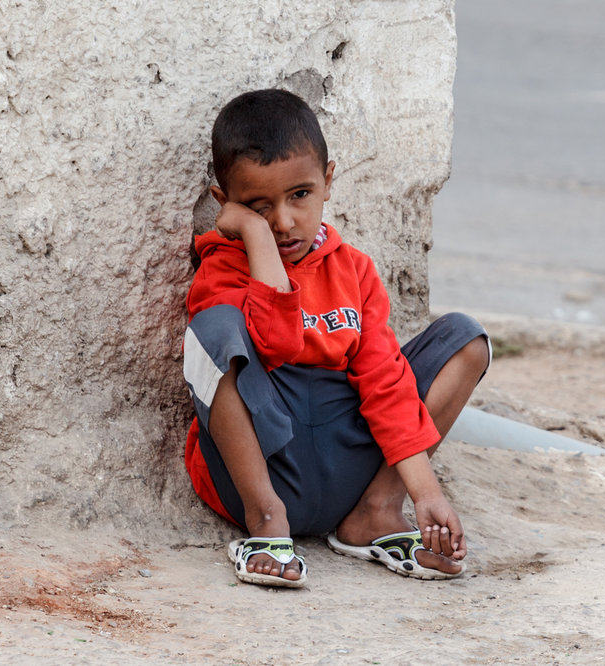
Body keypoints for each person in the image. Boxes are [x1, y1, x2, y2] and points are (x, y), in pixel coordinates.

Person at [182, 89, 490, 587]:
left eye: (299, 195)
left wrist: (426, 494)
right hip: (264, 471)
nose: (283, 223)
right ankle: (267, 524)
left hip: (347, 462)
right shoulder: (221, 271)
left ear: (327, 181)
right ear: (226, 203)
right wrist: (256, 243)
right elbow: (277, 345)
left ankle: (374, 514)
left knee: (465, 339)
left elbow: (384, 382)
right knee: (214, 330)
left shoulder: (354, 271)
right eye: (259, 208)